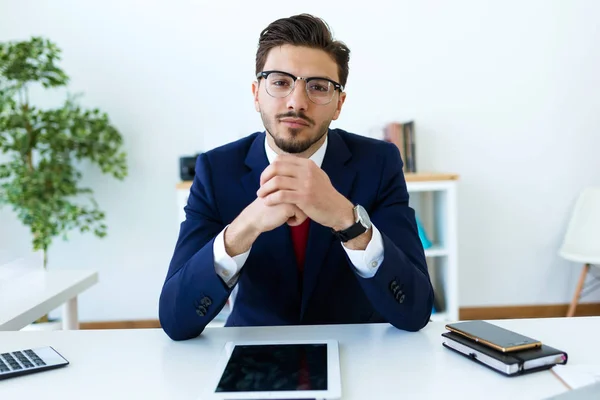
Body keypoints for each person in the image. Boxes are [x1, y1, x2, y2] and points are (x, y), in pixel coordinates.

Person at [159, 13, 434, 341]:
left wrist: (348, 221)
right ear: (256, 93)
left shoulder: (379, 163)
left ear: (338, 104)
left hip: (358, 351)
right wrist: (245, 228)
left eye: (318, 87)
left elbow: (415, 310)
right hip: (254, 351)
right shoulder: (216, 170)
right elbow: (175, 318)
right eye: (279, 82)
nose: (297, 102)